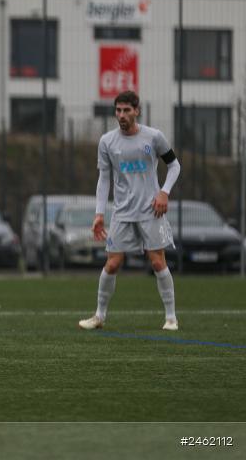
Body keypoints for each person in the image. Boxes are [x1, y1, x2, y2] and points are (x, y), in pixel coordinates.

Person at [80, 90, 181, 331]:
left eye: (126, 110)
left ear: (137, 111)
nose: (122, 115)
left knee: (157, 262)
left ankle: (171, 318)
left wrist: (164, 192)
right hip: (122, 212)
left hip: (150, 210)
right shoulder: (107, 141)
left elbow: (174, 165)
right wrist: (99, 214)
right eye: (118, 110)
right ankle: (99, 316)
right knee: (113, 263)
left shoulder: (154, 137)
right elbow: (104, 179)